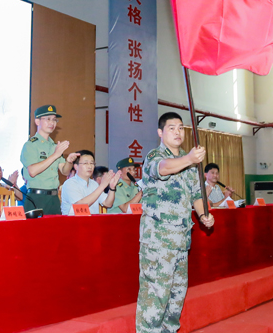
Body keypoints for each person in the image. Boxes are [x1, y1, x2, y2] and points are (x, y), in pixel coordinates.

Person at [137, 112, 215, 333]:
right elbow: (163, 168)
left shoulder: (190, 163)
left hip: (181, 241)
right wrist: (190, 159)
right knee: (155, 297)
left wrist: (204, 215)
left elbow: (197, 195)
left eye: (181, 127)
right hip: (158, 242)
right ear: (160, 133)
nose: (178, 132)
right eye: (171, 128)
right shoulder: (155, 156)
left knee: (175, 298)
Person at [20, 105, 78, 215]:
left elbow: (65, 171)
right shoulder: (30, 145)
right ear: (37, 121)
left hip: (53, 198)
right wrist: (55, 155)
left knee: (56, 226)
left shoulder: (54, 146)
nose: (52, 123)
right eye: (48, 119)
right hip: (36, 198)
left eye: (54, 120)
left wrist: (69, 162)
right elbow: (32, 171)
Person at [60, 150, 121, 215]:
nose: (90, 166)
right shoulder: (70, 184)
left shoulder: (94, 184)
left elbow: (108, 204)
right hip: (74, 220)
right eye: (85, 163)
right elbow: (80, 206)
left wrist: (112, 188)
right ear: (76, 166)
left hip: (92, 220)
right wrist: (102, 185)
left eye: (92, 163)